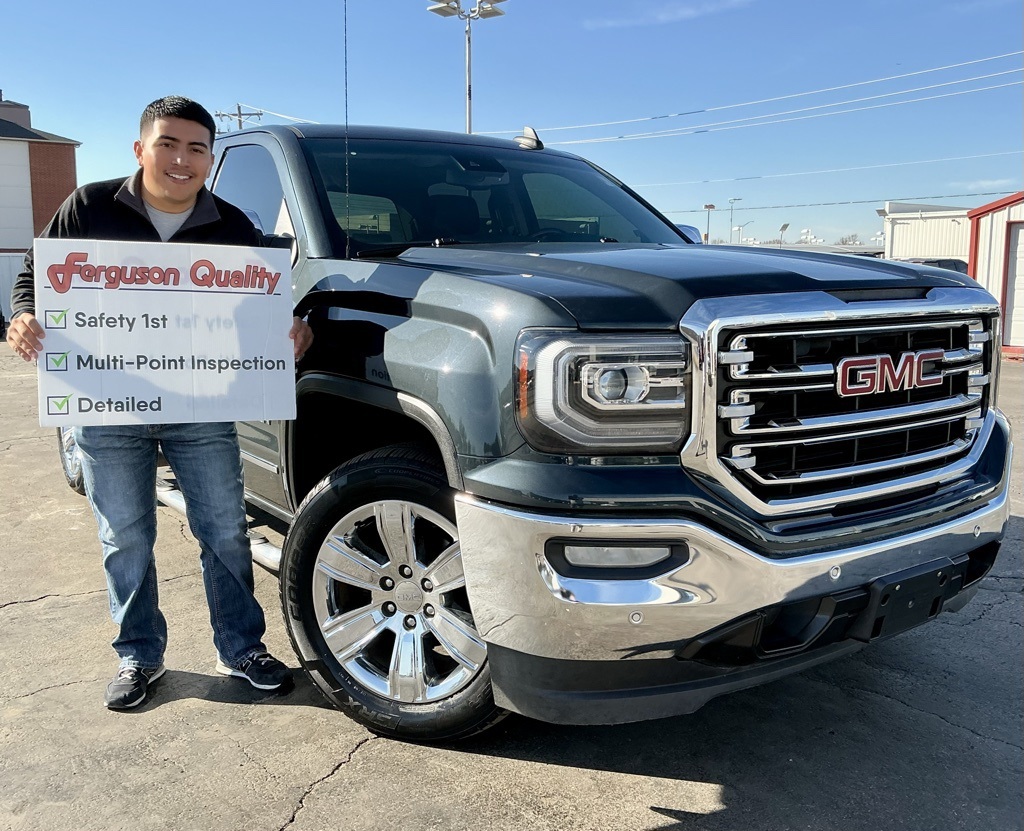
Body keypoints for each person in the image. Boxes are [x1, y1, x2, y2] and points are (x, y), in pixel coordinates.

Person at [6, 96, 313, 710]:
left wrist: (290, 330)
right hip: (105, 403)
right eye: (168, 144)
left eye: (197, 148)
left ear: (209, 157)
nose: (182, 159)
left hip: (200, 406)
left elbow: (258, 308)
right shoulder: (89, 206)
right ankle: (138, 655)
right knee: (124, 535)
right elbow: (32, 274)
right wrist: (22, 316)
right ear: (141, 149)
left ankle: (243, 648)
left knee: (224, 530)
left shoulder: (231, 225)